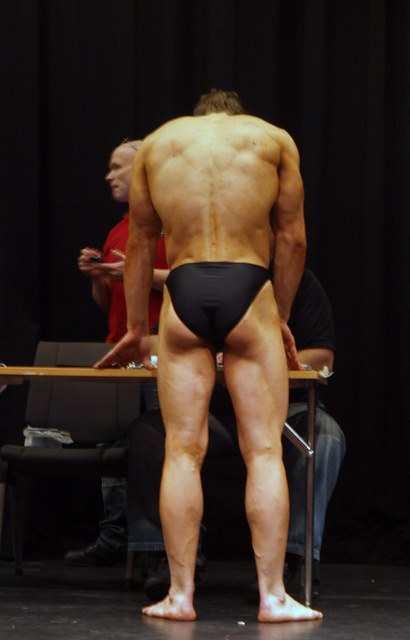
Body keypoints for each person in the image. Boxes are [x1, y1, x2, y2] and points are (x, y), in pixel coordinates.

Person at [95, 89, 322, 622]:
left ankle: (180, 596)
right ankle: (272, 597)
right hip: (248, 285)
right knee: (263, 451)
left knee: (181, 450)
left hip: (185, 289)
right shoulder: (273, 139)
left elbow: (140, 242)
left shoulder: (159, 143)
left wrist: (135, 327)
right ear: (236, 116)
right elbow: (292, 240)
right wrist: (279, 316)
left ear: (197, 119)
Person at [126, 268, 345, 604]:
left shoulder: (300, 284)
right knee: (148, 432)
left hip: (281, 410)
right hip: (209, 413)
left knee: (326, 436)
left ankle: (295, 558)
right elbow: (159, 344)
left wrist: (260, 361)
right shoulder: (193, 282)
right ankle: (169, 557)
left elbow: (323, 356)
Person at [65, 139, 168, 567]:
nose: (109, 176)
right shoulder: (117, 230)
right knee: (112, 440)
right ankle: (114, 535)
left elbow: (186, 280)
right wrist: (98, 276)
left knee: (160, 444)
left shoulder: (173, 224)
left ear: (143, 171)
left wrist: (135, 271)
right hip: (118, 347)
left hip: (158, 349)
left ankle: (164, 545)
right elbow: (110, 305)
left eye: (117, 167)